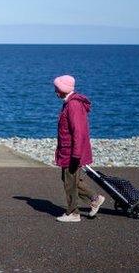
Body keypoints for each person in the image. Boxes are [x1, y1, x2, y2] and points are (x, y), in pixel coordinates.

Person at [52, 74, 106, 222]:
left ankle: (73, 213)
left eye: (56, 89)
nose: (55, 92)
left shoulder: (73, 105)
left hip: (72, 152)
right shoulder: (69, 103)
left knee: (70, 181)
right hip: (68, 150)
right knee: (69, 179)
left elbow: (79, 131)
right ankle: (94, 198)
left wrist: (76, 154)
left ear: (63, 89)